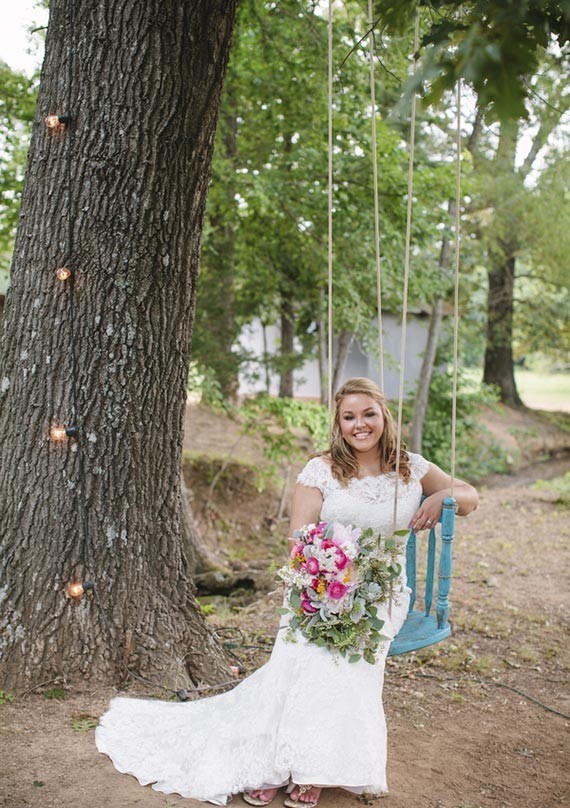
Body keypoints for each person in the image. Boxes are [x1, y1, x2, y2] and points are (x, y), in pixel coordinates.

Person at [96, 377, 478, 805]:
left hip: (382, 592)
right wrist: (330, 580)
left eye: (368, 414)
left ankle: (313, 768)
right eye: (349, 417)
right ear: (339, 423)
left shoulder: (411, 468)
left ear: (384, 416)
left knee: (344, 660)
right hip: (325, 582)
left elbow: (470, 496)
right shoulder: (322, 470)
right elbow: (300, 539)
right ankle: (273, 761)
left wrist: (439, 496)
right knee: (306, 655)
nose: (360, 424)